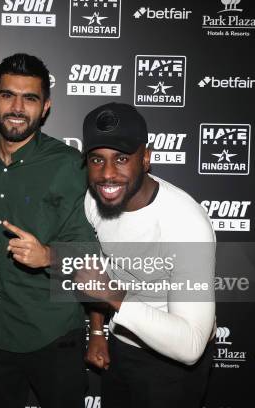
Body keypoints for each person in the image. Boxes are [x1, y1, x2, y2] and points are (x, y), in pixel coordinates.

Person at [0, 53, 98, 408]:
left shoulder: (71, 167)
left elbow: (93, 255)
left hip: (52, 333)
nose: (17, 107)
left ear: (45, 108)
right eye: (8, 95)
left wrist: (48, 256)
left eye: (30, 98)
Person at [81, 102, 216, 408]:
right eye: (96, 160)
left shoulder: (185, 222)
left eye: (122, 158)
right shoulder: (93, 200)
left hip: (172, 367)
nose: (107, 174)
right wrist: (99, 331)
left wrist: (114, 297)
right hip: (121, 346)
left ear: (145, 158)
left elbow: (192, 344)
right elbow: (99, 269)